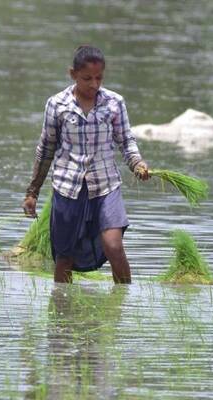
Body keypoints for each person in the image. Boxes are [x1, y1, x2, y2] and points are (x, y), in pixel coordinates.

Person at [22, 45, 149, 284]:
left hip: (105, 185)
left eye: (99, 78)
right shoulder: (57, 104)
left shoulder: (114, 102)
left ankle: (124, 306)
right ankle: (62, 315)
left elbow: (126, 140)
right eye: (87, 78)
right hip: (68, 187)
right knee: (64, 257)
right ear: (72, 74)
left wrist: (137, 163)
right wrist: (32, 192)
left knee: (113, 246)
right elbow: (46, 149)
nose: (94, 84)